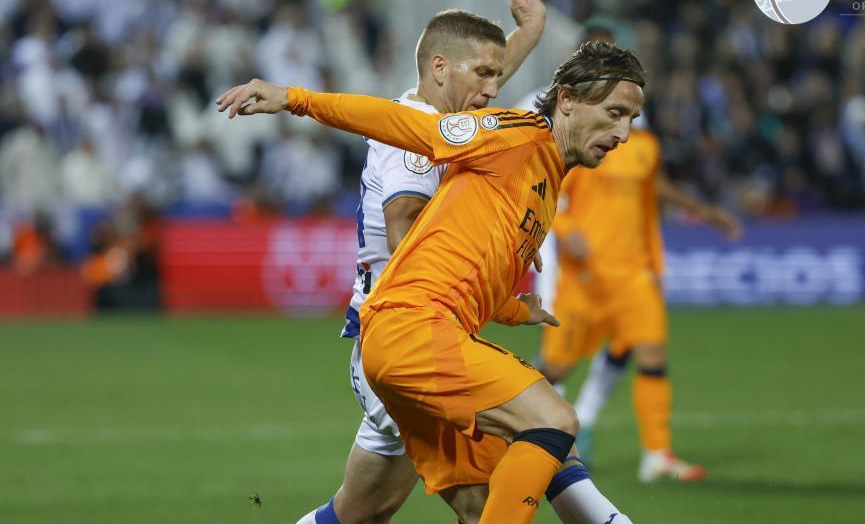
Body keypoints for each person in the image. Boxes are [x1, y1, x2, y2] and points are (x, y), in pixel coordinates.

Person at [218, 39, 645, 523]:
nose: (624, 133)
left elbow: (467, 272)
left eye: (631, 118)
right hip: (413, 330)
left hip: (416, 339)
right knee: (554, 420)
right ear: (567, 99)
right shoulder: (518, 136)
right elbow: (407, 125)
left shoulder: (544, 177)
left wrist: (514, 309)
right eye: (614, 113)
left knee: (472, 501)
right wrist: (296, 99)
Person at [538, 120, 742, 482]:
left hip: (635, 276)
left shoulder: (647, 145)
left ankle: (657, 455)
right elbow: (549, 192)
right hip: (585, 281)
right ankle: (517, 434)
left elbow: (653, 187)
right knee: (555, 369)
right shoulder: (583, 141)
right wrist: (567, 232)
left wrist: (705, 213)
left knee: (652, 358)